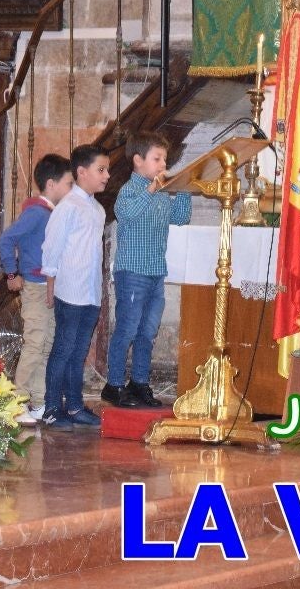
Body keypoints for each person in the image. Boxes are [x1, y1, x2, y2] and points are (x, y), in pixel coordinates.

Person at [103, 131, 192, 408]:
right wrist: (152, 189)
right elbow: (125, 214)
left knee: (147, 332)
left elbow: (181, 217)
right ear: (138, 160)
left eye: (164, 159)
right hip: (132, 273)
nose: (163, 164)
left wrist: (185, 189)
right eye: (157, 158)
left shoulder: (163, 193)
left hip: (155, 273)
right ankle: (114, 384)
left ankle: (139, 383)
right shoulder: (129, 191)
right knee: (127, 330)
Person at [0, 153, 74, 426]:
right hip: (35, 286)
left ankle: (39, 402)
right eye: (68, 183)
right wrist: (11, 272)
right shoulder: (36, 213)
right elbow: (7, 239)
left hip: (50, 288)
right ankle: (15, 403)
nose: (71, 189)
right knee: (34, 343)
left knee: (46, 345)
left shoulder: (50, 213)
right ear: (51, 185)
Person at [41, 144, 110, 432]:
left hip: (90, 291)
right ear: (82, 172)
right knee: (63, 349)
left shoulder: (97, 208)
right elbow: (52, 246)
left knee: (79, 351)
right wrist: (50, 283)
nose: (107, 175)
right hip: (69, 291)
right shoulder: (67, 206)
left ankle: (75, 405)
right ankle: (52, 407)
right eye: (101, 170)